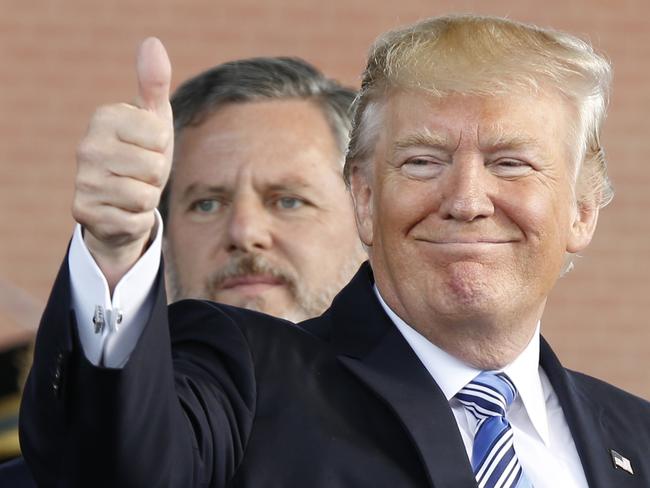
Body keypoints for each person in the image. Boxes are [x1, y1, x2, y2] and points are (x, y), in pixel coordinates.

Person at [20, 14, 650, 487]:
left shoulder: (637, 439)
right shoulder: (245, 372)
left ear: (582, 212)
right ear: (365, 201)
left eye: (511, 162)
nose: (466, 199)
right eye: (423, 161)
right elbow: (111, 464)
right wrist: (114, 252)